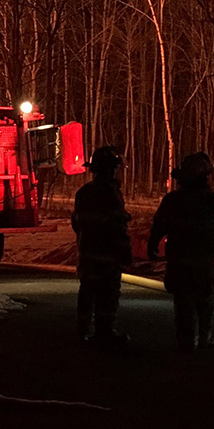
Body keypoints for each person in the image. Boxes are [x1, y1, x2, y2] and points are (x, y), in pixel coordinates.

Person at [148, 152, 214, 351]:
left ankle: (186, 341)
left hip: (179, 262)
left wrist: (152, 244)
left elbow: (159, 225)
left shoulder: (173, 200)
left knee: (183, 303)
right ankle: (204, 337)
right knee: (205, 301)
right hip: (205, 262)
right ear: (204, 177)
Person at [72, 146, 133, 347]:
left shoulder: (84, 193)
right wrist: (125, 250)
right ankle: (104, 332)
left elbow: (77, 222)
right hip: (108, 253)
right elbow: (117, 224)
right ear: (111, 170)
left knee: (87, 291)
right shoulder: (111, 193)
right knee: (108, 294)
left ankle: (82, 331)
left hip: (88, 253)